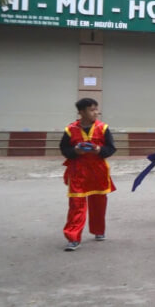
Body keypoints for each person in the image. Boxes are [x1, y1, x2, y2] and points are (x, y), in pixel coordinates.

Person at [59, 98, 117, 251]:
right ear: (81, 112)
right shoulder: (70, 129)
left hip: (98, 171)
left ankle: (98, 230)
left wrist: (99, 150)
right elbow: (64, 149)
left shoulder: (103, 128)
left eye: (96, 109)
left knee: (98, 203)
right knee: (76, 204)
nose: (96, 112)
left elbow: (111, 148)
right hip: (78, 171)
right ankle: (73, 237)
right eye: (92, 110)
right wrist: (75, 151)